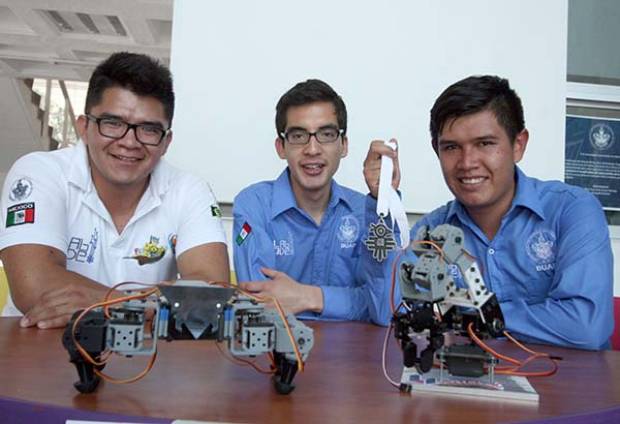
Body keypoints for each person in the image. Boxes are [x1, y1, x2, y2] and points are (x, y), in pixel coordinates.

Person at [369, 75, 613, 350]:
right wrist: (384, 204)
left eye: (485, 143)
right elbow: (386, 309)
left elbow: (586, 326)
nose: (467, 163)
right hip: (465, 383)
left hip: (566, 386)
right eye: (451, 147)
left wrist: (464, 317)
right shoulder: (431, 230)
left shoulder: (572, 210)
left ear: (518, 145)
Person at [0, 52, 230, 329]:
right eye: (113, 123)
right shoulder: (39, 172)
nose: (129, 142)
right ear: (84, 127)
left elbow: (212, 294)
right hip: (38, 351)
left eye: (148, 129)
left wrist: (107, 302)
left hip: (144, 358)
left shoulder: (190, 190)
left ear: (166, 141)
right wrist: (145, 305)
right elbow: (33, 288)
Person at [233, 79, 398, 323]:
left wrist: (308, 297)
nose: (312, 149)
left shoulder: (367, 211)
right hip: (274, 356)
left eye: (327, 134)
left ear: (343, 145)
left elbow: (384, 309)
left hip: (352, 358)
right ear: (281, 147)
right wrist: (350, 301)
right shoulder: (254, 205)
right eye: (299, 135)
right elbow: (260, 303)